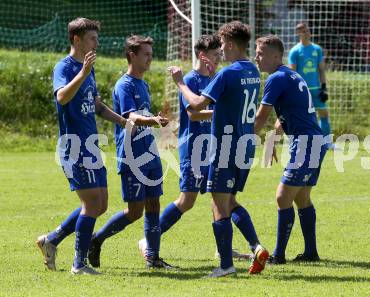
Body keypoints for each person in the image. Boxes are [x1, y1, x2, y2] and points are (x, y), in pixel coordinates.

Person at [168, 21, 269, 278]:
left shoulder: (227, 74)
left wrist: (180, 83)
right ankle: (253, 247)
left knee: (218, 203)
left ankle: (225, 265)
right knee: (229, 200)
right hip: (244, 147)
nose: (221, 49)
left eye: (222, 44)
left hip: (224, 147)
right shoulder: (254, 73)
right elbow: (230, 107)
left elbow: (197, 105)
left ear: (232, 44)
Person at [137, 34, 250, 260]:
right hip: (194, 149)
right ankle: (147, 240)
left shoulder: (215, 78)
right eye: (215, 54)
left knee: (221, 198)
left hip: (212, 148)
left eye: (220, 54)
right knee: (186, 201)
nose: (219, 58)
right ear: (202, 55)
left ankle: (223, 249)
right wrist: (227, 112)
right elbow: (193, 114)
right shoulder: (190, 79)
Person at [36, 17, 133, 275]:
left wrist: (123, 121)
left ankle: (52, 240)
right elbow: (62, 97)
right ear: (76, 39)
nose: (96, 43)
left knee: (100, 204)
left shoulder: (89, 69)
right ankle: (79, 264)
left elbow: (98, 106)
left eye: (97, 38)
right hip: (74, 145)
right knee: (91, 204)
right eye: (92, 38)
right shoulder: (65, 67)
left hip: (91, 144)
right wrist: (82, 73)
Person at [87, 35, 174, 270]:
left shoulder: (143, 84)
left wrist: (156, 121)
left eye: (151, 54)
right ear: (132, 56)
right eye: (145, 54)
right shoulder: (124, 85)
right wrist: (152, 120)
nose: (150, 59)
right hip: (132, 156)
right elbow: (131, 117)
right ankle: (96, 239)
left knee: (154, 204)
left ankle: (153, 258)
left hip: (150, 153)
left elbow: (142, 115)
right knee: (135, 211)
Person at [254, 35, 327, 263]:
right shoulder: (290, 75)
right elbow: (285, 114)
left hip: (306, 143)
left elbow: (261, 116)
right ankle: (311, 253)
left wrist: (244, 138)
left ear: (276, 56)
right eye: (256, 52)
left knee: (282, 197)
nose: (257, 57)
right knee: (302, 198)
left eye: (261, 53)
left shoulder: (276, 78)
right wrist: (273, 138)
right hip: (312, 141)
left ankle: (278, 256)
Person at [288, 23, 333, 145]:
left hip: (316, 89)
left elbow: (321, 70)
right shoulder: (295, 51)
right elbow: (292, 73)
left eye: (307, 30)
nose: (307, 33)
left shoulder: (317, 49)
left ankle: (327, 142)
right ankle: (300, 141)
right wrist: (293, 91)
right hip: (302, 90)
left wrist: (323, 87)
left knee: (324, 113)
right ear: (298, 33)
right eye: (303, 31)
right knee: (302, 117)